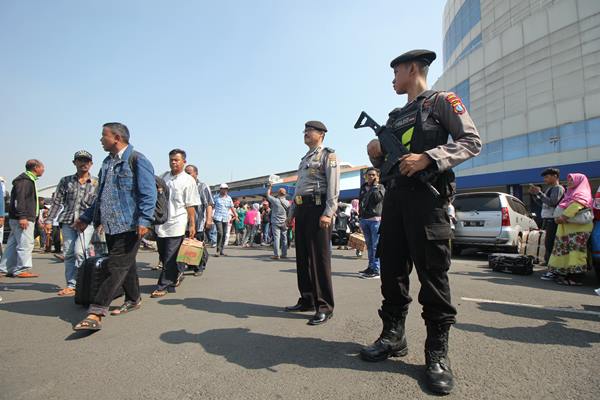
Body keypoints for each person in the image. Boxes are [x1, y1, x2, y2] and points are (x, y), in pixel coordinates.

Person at [360, 50, 481, 394]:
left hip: (428, 202)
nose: (392, 79)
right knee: (392, 271)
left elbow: (471, 141)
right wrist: (375, 151)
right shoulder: (395, 116)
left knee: (433, 276)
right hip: (395, 201)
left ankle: (437, 353)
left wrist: (429, 156)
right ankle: (393, 336)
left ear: (412, 69)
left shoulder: (442, 102)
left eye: (396, 71)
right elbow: (383, 163)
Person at [72, 122, 157, 331]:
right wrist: (86, 217)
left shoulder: (137, 159)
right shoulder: (107, 163)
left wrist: (144, 220)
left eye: (104, 136)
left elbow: (149, 194)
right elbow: (102, 196)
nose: (101, 139)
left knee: (115, 266)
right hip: (110, 225)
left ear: (117, 138)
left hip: (130, 225)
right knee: (124, 264)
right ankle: (134, 298)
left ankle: (96, 311)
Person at [285, 120, 340, 326]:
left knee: (319, 259)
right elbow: (299, 188)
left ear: (322, 134)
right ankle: (307, 298)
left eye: (310, 131)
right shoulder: (304, 159)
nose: (306, 134)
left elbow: (334, 187)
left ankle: (324, 305)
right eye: (305, 131)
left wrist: (328, 212)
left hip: (318, 210)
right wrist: (292, 212)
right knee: (303, 257)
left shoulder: (328, 155)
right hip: (302, 209)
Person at [44, 150, 98, 296]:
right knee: (68, 253)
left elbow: (100, 205)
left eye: (86, 161)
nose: (83, 163)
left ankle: (82, 283)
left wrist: (101, 223)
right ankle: (71, 284)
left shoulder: (96, 182)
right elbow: (56, 202)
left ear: (91, 164)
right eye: (80, 160)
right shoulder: (65, 181)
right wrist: (49, 220)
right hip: (68, 221)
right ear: (74, 163)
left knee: (80, 252)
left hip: (87, 223)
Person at [151, 149, 199, 298]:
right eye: (171, 159)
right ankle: (177, 273)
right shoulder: (163, 177)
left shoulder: (188, 180)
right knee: (163, 254)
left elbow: (191, 205)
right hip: (161, 222)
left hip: (177, 222)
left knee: (170, 256)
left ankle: (163, 285)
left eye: (176, 160)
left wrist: (192, 224)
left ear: (184, 162)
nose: (173, 162)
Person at [0, 159, 46, 278]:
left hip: (18, 217)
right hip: (23, 218)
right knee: (25, 243)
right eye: (42, 167)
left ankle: (5, 268)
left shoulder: (26, 180)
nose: (43, 169)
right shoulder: (25, 181)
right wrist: (23, 216)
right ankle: (22, 269)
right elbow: (19, 200)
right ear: (35, 167)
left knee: (13, 243)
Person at [548, 173, 593, 286]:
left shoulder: (582, 193)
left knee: (576, 252)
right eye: (568, 180)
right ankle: (567, 275)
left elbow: (576, 206)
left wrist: (562, 217)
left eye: (572, 180)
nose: (569, 182)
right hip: (566, 228)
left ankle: (576, 278)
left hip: (578, 229)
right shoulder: (570, 194)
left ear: (580, 181)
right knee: (566, 252)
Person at [529, 168, 565, 278]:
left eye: (547, 177)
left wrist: (539, 192)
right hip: (548, 219)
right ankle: (550, 266)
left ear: (555, 176)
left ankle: (552, 269)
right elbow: (543, 204)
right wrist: (536, 195)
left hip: (553, 220)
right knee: (548, 243)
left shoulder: (558, 188)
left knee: (550, 244)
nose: (545, 179)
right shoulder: (550, 188)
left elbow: (553, 203)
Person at [185, 164, 214, 275]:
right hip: (185, 223)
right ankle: (192, 264)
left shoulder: (202, 186)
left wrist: (209, 219)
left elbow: (209, 204)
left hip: (198, 222)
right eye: (185, 173)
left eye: (189, 173)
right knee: (188, 244)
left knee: (197, 244)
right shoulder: (184, 186)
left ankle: (199, 267)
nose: (187, 175)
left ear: (196, 173)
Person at [358, 167, 385, 279]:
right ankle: (370, 267)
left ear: (377, 177)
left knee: (375, 246)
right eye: (368, 175)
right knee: (369, 246)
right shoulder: (363, 187)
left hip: (375, 221)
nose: (370, 177)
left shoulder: (380, 187)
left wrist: (374, 187)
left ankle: (376, 269)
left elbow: (377, 199)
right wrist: (360, 219)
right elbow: (361, 203)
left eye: (373, 175)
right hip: (364, 220)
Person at [213, 183, 237, 256]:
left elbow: (232, 207)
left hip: (226, 218)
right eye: (223, 188)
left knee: (224, 234)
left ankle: (221, 250)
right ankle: (217, 250)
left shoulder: (229, 198)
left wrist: (236, 215)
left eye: (226, 189)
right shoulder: (216, 197)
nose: (225, 190)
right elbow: (212, 206)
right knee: (220, 232)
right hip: (217, 217)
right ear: (220, 189)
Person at [266, 185, 290, 259]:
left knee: (277, 238)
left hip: (275, 222)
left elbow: (268, 195)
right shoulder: (287, 202)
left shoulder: (275, 200)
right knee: (284, 238)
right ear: (285, 194)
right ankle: (284, 254)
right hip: (284, 222)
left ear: (278, 193)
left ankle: (276, 254)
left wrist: (269, 187)